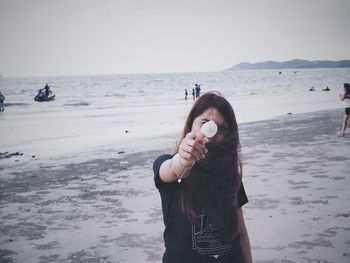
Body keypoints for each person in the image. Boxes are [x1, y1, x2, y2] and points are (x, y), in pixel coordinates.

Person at [153, 92, 253, 263]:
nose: (212, 135)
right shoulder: (166, 163)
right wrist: (184, 159)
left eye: (221, 129)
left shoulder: (230, 173)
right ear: (191, 123)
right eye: (205, 123)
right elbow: (173, 169)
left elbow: (241, 233)